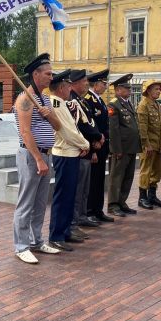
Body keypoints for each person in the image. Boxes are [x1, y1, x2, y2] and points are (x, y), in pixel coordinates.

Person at [12, 53, 62, 264]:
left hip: (45, 153)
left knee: (41, 203)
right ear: (36, 74)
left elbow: (58, 126)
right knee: (26, 203)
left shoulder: (45, 99)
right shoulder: (25, 99)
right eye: (48, 73)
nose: (51, 77)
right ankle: (21, 246)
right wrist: (39, 159)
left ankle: (36, 240)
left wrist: (47, 114)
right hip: (31, 156)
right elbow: (25, 132)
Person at [49, 70, 90, 251]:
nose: (69, 89)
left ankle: (65, 231)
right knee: (62, 197)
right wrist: (85, 144)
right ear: (61, 88)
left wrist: (81, 144)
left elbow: (73, 128)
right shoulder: (56, 104)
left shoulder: (62, 103)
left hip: (71, 153)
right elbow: (67, 131)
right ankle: (56, 235)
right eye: (67, 86)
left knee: (69, 196)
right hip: (64, 153)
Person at [69, 70, 104, 233]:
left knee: (84, 188)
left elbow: (90, 121)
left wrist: (97, 137)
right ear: (75, 83)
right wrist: (96, 137)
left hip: (88, 148)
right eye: (84, 81)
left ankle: (82, 216)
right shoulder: (71, 100)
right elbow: (81, 126)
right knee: (78, 189)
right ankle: (75, 220)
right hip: (80, 150)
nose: (86, 84)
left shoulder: (81, 101)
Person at [107, 74, 141, 218]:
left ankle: (122, 201)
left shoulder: (127, 103)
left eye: (129, 88)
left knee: (128, 176)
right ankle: (113, 204)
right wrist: (116, 149)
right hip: (121, 148)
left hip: (131, 147)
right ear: (118, 90)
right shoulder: (114, 105)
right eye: (126, 88)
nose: (130, 90)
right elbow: (113, 130)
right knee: (117, 176)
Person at [84, 69, 115, 223]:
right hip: (94, 147)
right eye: (104, 83)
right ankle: (90, 211)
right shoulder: (88, 99)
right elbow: (90, 125)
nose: (106, 86)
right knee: (93, 181)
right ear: (96, 85)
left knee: (99, 180)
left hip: (102, 145)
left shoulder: (99, 99)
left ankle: (98, 210)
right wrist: (93, 149)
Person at [137, 80, 161, 209]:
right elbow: (142, 128)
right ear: (148, 90)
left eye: (159, 89)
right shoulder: (143, 105)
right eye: (156, 89)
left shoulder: (157, 105)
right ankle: (142, 197)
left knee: (157, 171)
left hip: (158, 144)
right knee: (146, 171)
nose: (158, 91)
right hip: (149, 145)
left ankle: (152, 196)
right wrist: (146, 144)